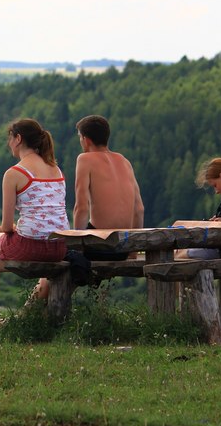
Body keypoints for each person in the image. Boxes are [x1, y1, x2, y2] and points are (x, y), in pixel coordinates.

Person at [0, 118, 70, 341]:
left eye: (10, 138)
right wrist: (17, 228)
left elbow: (6, 226)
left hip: (30, 247)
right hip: (58, 247)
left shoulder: (14, 173)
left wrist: (9, 229)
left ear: (18, 139)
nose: (9, 144)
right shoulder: (56, 168)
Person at [33, 114, 145, 299]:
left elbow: (81, 207)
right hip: (122, 247)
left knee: (56, 252)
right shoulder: (124, 161)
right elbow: (139, 208)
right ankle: (37, 311)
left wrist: (77, 245)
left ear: (86, 139)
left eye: (79, 137)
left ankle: (31, 310)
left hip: (99, 245)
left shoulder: (85, 159)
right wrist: (132, 250)